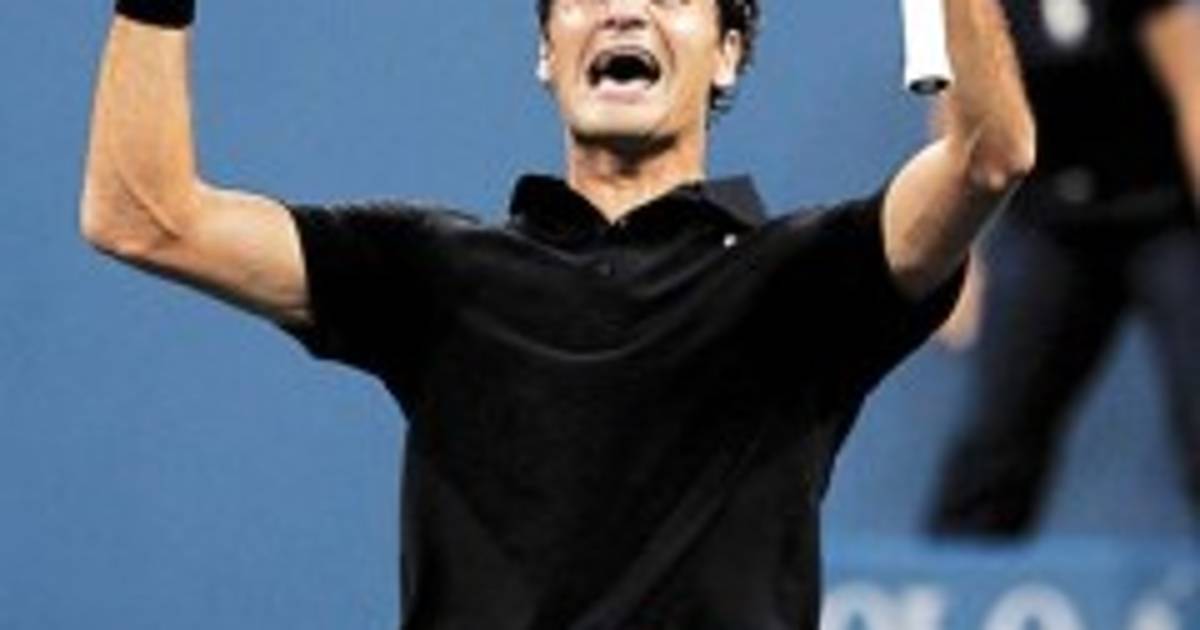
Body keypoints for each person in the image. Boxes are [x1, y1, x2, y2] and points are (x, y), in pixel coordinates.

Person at [81, 0, 1033, 626]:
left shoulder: (805, 280)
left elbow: (989, 158)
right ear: (546, 53)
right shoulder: (432, 270)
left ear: (728, 54)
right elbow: (143, 216)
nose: (623, 8)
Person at [929, 0, 1200, 537]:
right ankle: (957, 576)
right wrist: (954, 258)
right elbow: (961, 122)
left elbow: (1192, 94)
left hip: (1164, 219)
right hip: (1052, 225)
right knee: (1000, 429)